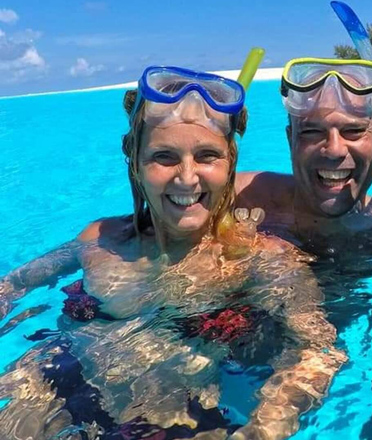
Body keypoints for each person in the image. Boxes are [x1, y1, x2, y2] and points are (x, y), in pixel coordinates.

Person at [0, 65, 345, 440]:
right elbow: (12, 287)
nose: (186, 177)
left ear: (230, 163)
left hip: (178, 416)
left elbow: (317, 350)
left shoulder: (262, 258)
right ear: (134, 161)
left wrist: (264, 426)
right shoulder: (100, 239)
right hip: (50, 386)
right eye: (164, 156)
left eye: (206, 155)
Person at [235, 57, 372, 251]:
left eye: (354, 131)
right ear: (291, 141)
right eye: (311, 132)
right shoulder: (240, 197)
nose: (334, 150)